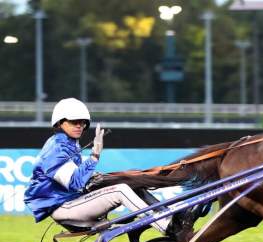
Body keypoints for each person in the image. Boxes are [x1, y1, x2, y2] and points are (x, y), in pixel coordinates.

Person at [24, 97, 171, 233]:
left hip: (72, 202)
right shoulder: (55, 149)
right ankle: (165, 226)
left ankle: (169, 215)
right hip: (64, 208)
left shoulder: (67, 143)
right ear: (59, 123)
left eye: (82, 122)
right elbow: (75, 183)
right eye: (74, 122)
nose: (79, 126)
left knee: (131, 182)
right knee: (120, 191)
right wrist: (94, 156)